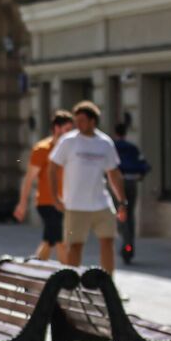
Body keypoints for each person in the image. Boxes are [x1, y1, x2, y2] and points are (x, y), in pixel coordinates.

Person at [47, 101, 129, 272]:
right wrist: (55, 197)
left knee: (108, 242)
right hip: (75, 205)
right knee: (75, 246)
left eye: (82, 120)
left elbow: (113, 174)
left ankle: (108, 285)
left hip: (101, 203)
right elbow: (52, 169)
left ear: (93, 121)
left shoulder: (105, 143)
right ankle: (71, 286)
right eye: (76, 120)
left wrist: (122, 201)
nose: (78, 124)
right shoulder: (68, 141)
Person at [13, 109, 72, 261]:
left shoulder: (70, 149)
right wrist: (22, 203)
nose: (70, 134)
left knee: (51, 241)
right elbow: (29, 178)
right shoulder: (42, 149)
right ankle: (68, 278)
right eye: (67, 130)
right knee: (60, 242)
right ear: (56, 128)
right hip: (47, 203)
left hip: (64, 203)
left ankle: (33, 268)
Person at [113, 123, 151, 259]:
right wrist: (139, 176)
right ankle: (129, 246)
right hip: (132, 182)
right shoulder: (132, 148)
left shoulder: (112, 147)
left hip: (117, 182)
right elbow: (145, 165)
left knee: (120, 213)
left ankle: (126, 243)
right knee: (130, 214)